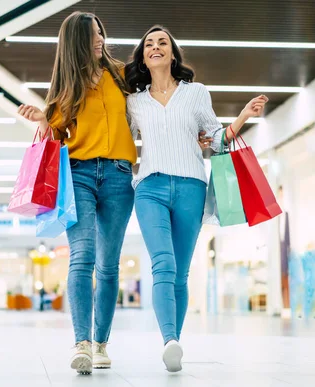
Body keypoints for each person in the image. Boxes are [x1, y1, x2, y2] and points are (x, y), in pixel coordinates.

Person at [125, 25, 268, 372]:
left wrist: (244, 116)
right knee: (164, 263)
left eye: (162, 43)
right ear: (143, 56)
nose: (155, 47)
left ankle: (174, 340)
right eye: (149, 44)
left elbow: (217, 138)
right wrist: (129, 176)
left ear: (172, 54)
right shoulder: (134, 101)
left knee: (180, 274)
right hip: (150, 188)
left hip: (191, 186)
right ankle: (170, 341)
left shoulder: (196, 93)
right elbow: (125, 145)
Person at [17, 12, 136, 375]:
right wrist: (43, 120)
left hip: (118, 175)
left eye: (101, 32)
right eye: (92, 36)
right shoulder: (67, 84)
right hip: (80, 174)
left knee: (109, 264)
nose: (100, 40)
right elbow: (56, 139)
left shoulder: (122, 74)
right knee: (81, 256)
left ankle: (101, 343)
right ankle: (81, 342)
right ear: (76, 42)